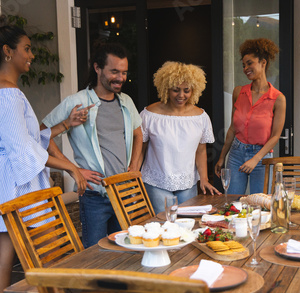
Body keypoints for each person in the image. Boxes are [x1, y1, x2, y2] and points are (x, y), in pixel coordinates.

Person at [0, 21, 88, 293]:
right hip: (15, 181)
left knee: (6, 257)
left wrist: (65, 124)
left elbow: (29, 138)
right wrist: (70, 167)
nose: (31, 55)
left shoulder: (1, 91)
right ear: (7, 52)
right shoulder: (6, 94)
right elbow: (23, 150)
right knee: (44, 253)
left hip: (7, 175)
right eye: (26, 49)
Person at [42, 43, 143, 248]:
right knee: (94, 254)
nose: (120, 78)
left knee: (125, 252)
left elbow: (138, 134)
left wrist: (134, 166)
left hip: (123, 192)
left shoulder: (126, 102)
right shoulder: (77, 101)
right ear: (97, 68)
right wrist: (74, 169)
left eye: (123, 72)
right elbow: (43, 134)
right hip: (94, 195)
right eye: (114, 71)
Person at [140, 61, 220, 214]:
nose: (181, 95)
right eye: (176, 90)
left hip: (187, 184)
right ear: (166, 88)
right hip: (156, 182)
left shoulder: (200, 117)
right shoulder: (149, 115)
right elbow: (140, 150)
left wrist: (204, 178)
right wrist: (134, 177)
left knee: (185, 227)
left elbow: (201, 151)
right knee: (163, 225)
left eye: (186, 90)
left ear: (194, 90)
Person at [214, 38, 286, 194]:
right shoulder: (239, 92)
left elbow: (275, 136)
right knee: (233, 203)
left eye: (249, 63)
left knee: (258, 205)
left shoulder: (278, 98)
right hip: (236, 153)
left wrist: (255, 159)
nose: (245, 68)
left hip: (261, 156)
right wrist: (222, 157)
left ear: (263, 63)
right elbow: (233, 129)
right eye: (243, 65)